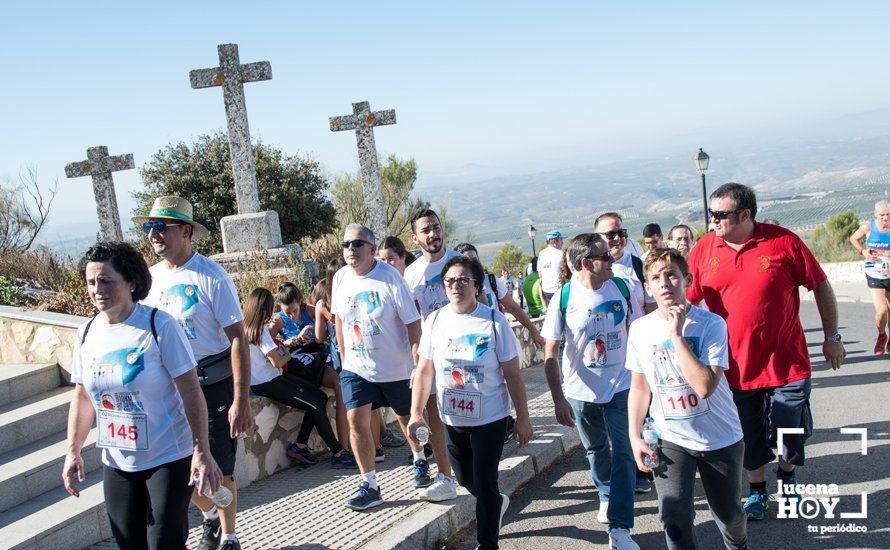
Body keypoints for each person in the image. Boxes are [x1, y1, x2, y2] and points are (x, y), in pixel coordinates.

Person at [686, 183, 846, 520]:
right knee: (748, 433)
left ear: (745, 214)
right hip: (734, 367)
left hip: (787, 363)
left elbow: (820, 285)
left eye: (720, 215)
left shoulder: (783, 241)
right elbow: (686, 303)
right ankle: (757, 491)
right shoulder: (703, 249)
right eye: (710, 214)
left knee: (789, 427)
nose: (712, 221)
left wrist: (832, 335)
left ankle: (788, 480)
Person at [63, 241, 223, 550]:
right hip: (117, 459)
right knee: (129, 544)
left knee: (163, 543)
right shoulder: (85, 334)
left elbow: (191, 391)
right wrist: (73, 450)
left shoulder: (158, 326)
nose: (97, 289)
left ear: (132, 282)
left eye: (106, 280)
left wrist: (201, 449)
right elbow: (83, 396)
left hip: (168, 456)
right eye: (91, 282)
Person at [135, 196, 252, 550]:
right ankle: (213, 517)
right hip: (166, 386)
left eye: (162, 227)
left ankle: (230, 537)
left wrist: (240, 400)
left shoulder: (211, 277)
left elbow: (238, 341)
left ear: (185, 231)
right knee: (175, 471)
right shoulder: (148, 279)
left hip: (209, 383)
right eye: (149, 227)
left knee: (220, 467)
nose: (154, 234)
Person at [408, 255, 532, 550]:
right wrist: (416, 413)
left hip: (490, 416)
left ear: (477, 286)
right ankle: (495, 502)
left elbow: (513, 374)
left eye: (464, 280)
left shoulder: (493, 320)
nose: (456, 286)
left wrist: (523, 417)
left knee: (485, 479)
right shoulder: (436, 320)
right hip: (452, 419)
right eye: (449, 281)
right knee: (464, 478)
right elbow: (425, 370)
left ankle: (488, 543)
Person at [627, 248, 747, 550]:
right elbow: (640, 387)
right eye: (656, 278)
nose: (664, 283)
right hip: (670, 438)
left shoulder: (711, 324)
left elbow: (704, 386)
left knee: (729, 516)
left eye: (671, 275)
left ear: (687, 280)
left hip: (719, 437)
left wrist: (677, 336)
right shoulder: (640, 329)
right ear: (647, 287)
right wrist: (634, 436)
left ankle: (738, 545)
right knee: (674, 517)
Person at [541, 233, 640, 550]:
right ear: (586, 263)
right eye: (605, 256)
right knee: (597, 449)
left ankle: (620, 527)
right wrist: (558, 399)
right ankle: (605, 492)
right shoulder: (565, 297)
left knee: (625, 453)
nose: (612, 259)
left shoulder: (622, 287)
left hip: (622, 387)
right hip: (581, 392)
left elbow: (639, 335)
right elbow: (550, 352)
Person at [332, 223, 429, 510]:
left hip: (395, 366)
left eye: (357, 244)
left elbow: (413, 323)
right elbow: (338, 319)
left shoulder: (390, 279)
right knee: (356, 422)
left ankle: (421, 460)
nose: (351, 249)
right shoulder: (340, 279)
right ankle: (369, 484)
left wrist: (415, 363)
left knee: (404, 418)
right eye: (347, 244)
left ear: (372, 249)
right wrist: (342, 354)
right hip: (356, 367)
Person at [243, 288, 357, 469]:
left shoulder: (247, 328)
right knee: (315, 403)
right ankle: (338, 452)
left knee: (319, 398)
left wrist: (283, 348)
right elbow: (278, 362)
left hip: (266, 379)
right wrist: (287, 352)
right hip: (268, 382)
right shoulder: (261, 332)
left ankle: (300, 446)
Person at [454, 242, 547, 349]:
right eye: (467, 262)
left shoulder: (491, 281)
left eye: (475, 260)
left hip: (497, 339)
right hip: (471, 343)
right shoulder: (454, 289)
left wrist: (533, 331)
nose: (473, 265)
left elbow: (513, 308)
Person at [849, 200, 890, 355]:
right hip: (875, 273)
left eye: (888, 215)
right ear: (875, 215)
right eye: (882, 215)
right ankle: (881, 335)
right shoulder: (868, 227)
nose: (885, 218)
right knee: (882, 311)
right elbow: (853, 238)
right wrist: (863, 251)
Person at [537, 230, 566, 306]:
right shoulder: (560, 253)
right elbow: (566, 272)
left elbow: (540, 274)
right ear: (554, 242)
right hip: (558, 289)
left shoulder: (541, 253)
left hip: (546, 290)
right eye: (561, 240)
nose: (562, 242)